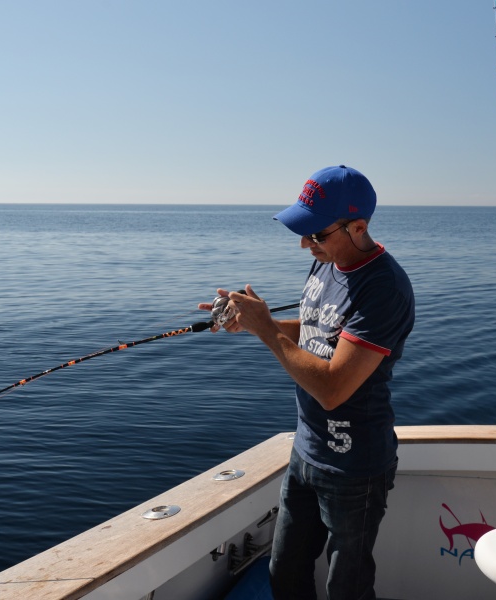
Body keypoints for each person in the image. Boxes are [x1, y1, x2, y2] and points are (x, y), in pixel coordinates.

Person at [200, 165, 415, 600]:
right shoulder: (329, 263)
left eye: (316, 234)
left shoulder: (384, 288)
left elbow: (333, 389)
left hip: (355, 467)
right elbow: (317, 325)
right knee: (285, 573)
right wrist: (258, 322)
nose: (305, 244)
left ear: (358, 227)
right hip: (306, 451)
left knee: (347, 589)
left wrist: (265, 330)